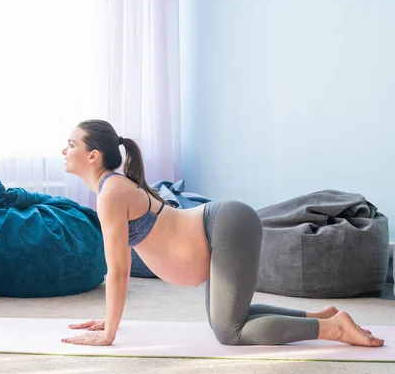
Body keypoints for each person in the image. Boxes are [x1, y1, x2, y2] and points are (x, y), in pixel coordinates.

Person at [59, 119, 384, 348]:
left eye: (71, 144)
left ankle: (333, 329)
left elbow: (118, 272)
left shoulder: (111, 192)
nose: (63, 150)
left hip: (223, 226)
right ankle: (320, 316)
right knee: (227, 321)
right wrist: (108, 320)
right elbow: (118, 270)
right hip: (220, 228)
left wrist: (109, 332)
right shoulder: (112, 188)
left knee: (231, 332)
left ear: (93, 155)